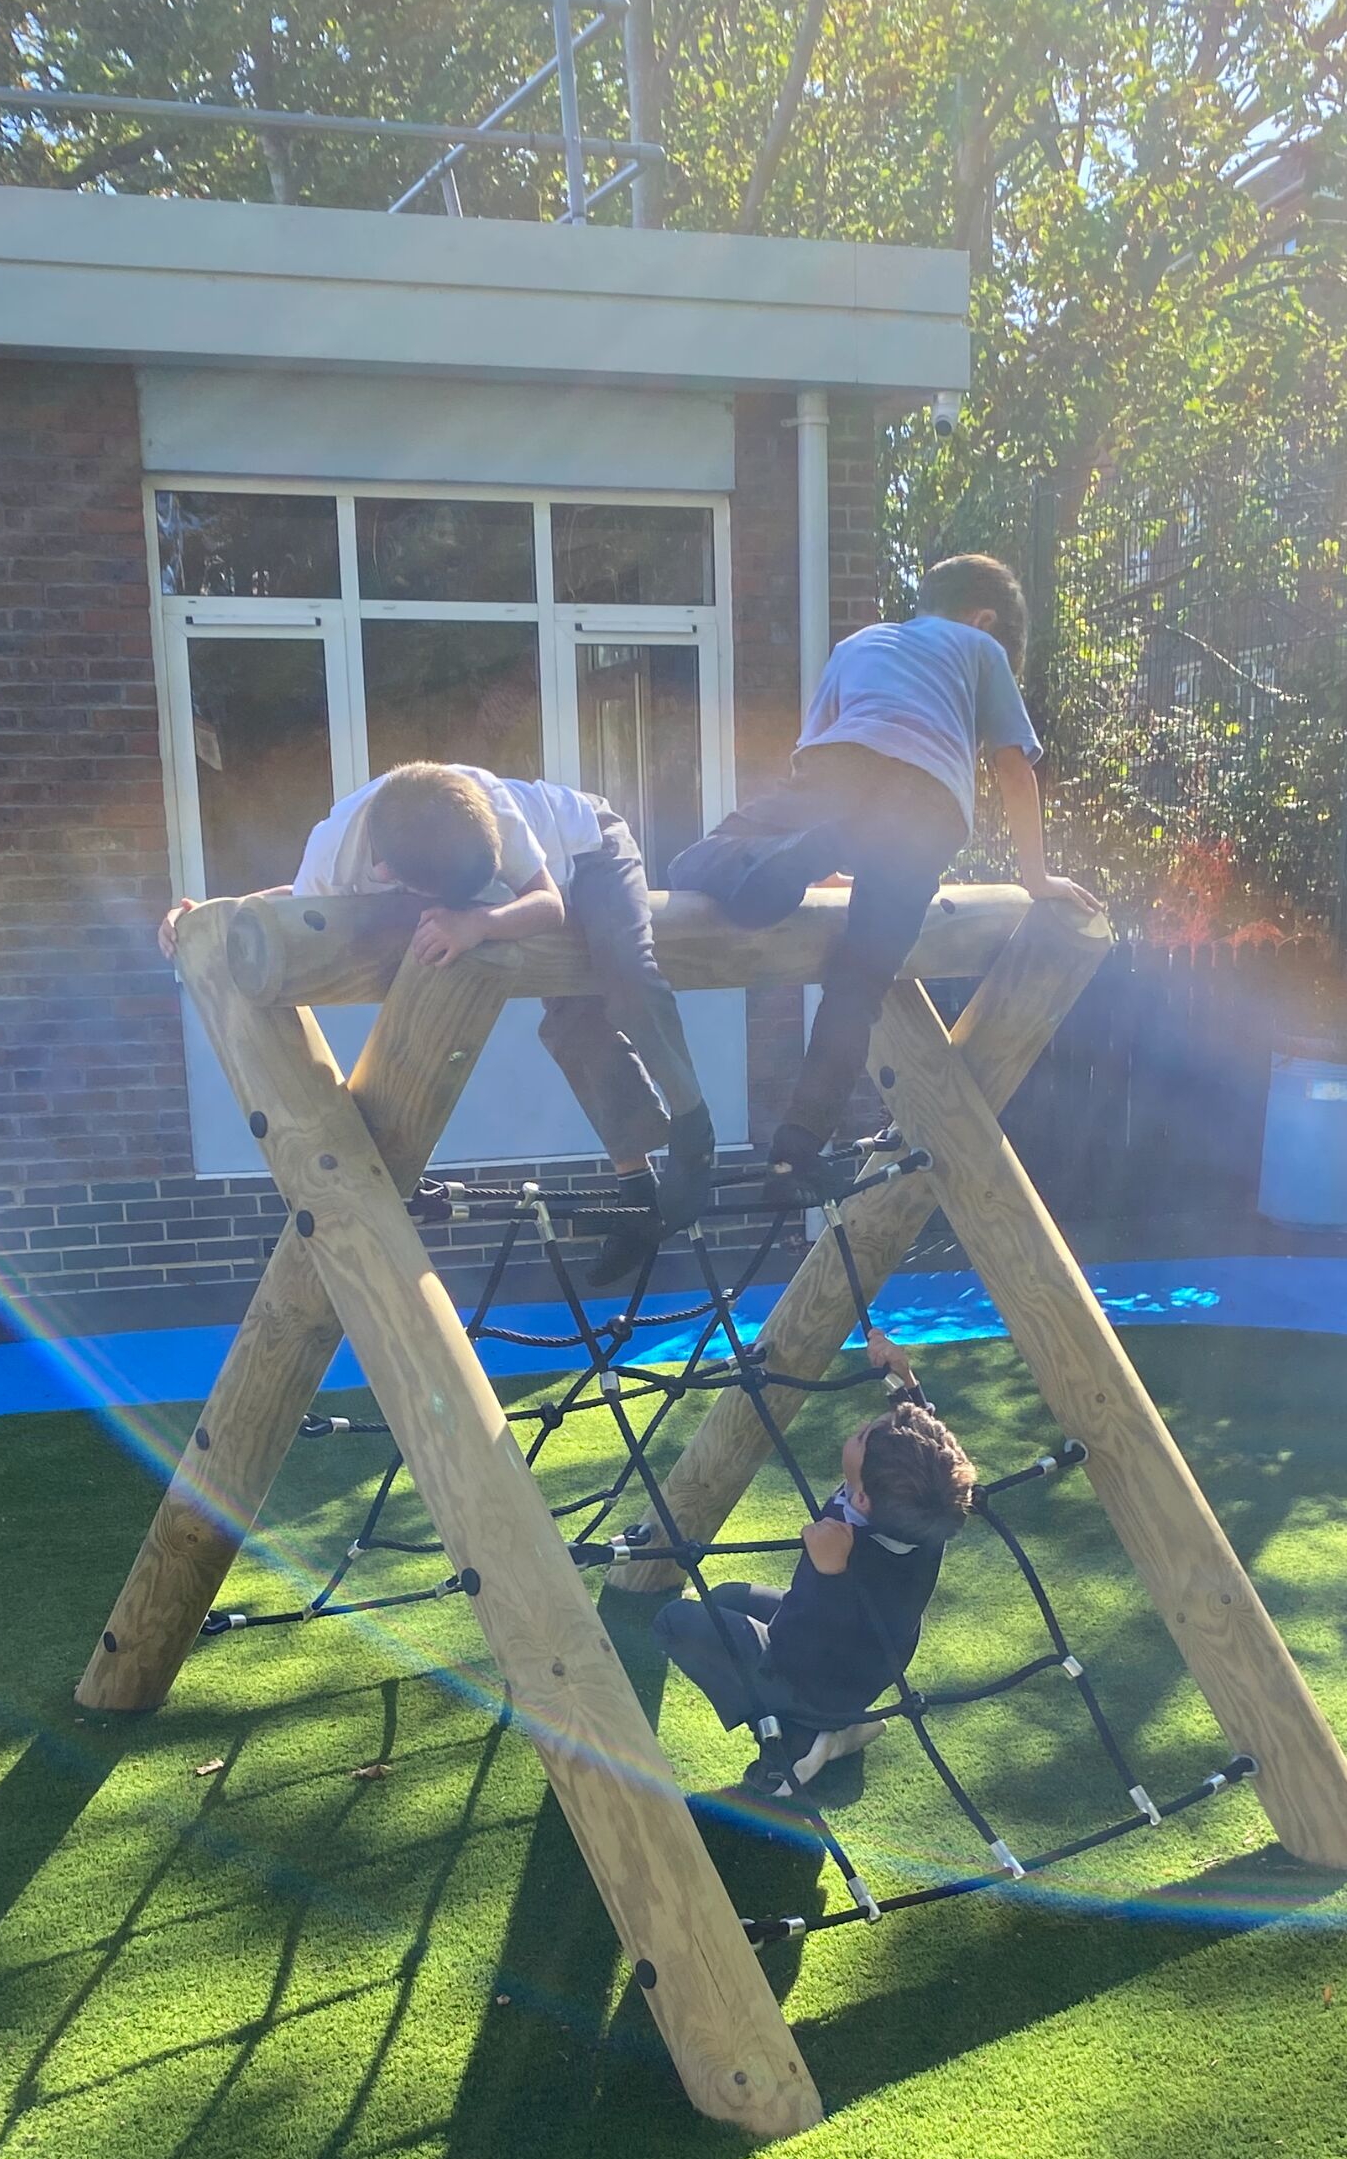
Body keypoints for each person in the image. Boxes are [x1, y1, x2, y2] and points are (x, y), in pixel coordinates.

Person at [663, 555, 1103, 1197]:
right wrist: (1036, 877)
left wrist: (828, 842)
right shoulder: (982, 647)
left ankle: (797, 857)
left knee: (698, 861)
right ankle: (797, 1147)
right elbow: (1013, 767)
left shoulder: (858, 642)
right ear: (985, 619)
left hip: (836, 779)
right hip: (928, 812)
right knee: (859, 984)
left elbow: (814, 757)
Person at [296, 762, 715, 1278]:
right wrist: (210, 910)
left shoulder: (485, 800)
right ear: (388, 875)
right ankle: (639, 1196)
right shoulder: (332, 853)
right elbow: (296, 907)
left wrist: (480, 920)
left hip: (588, 849)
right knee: (573, 1024)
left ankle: (693, 1127)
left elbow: (547, 903)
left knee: (625, 969)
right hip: (503, 888)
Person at [651, 1328, 976, 1789]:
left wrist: (830, 1572)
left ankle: (800, 1738)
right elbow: (931, 1447)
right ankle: (846, 1724)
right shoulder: (926, 1507)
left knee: (675, 1622)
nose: (861, 1428)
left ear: (861, 1498)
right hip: (864, 1658)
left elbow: (811, 1643)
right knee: (723, 1597)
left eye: (864, 1435)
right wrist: (904, 1380)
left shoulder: (852, 1555)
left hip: (816, 1670)